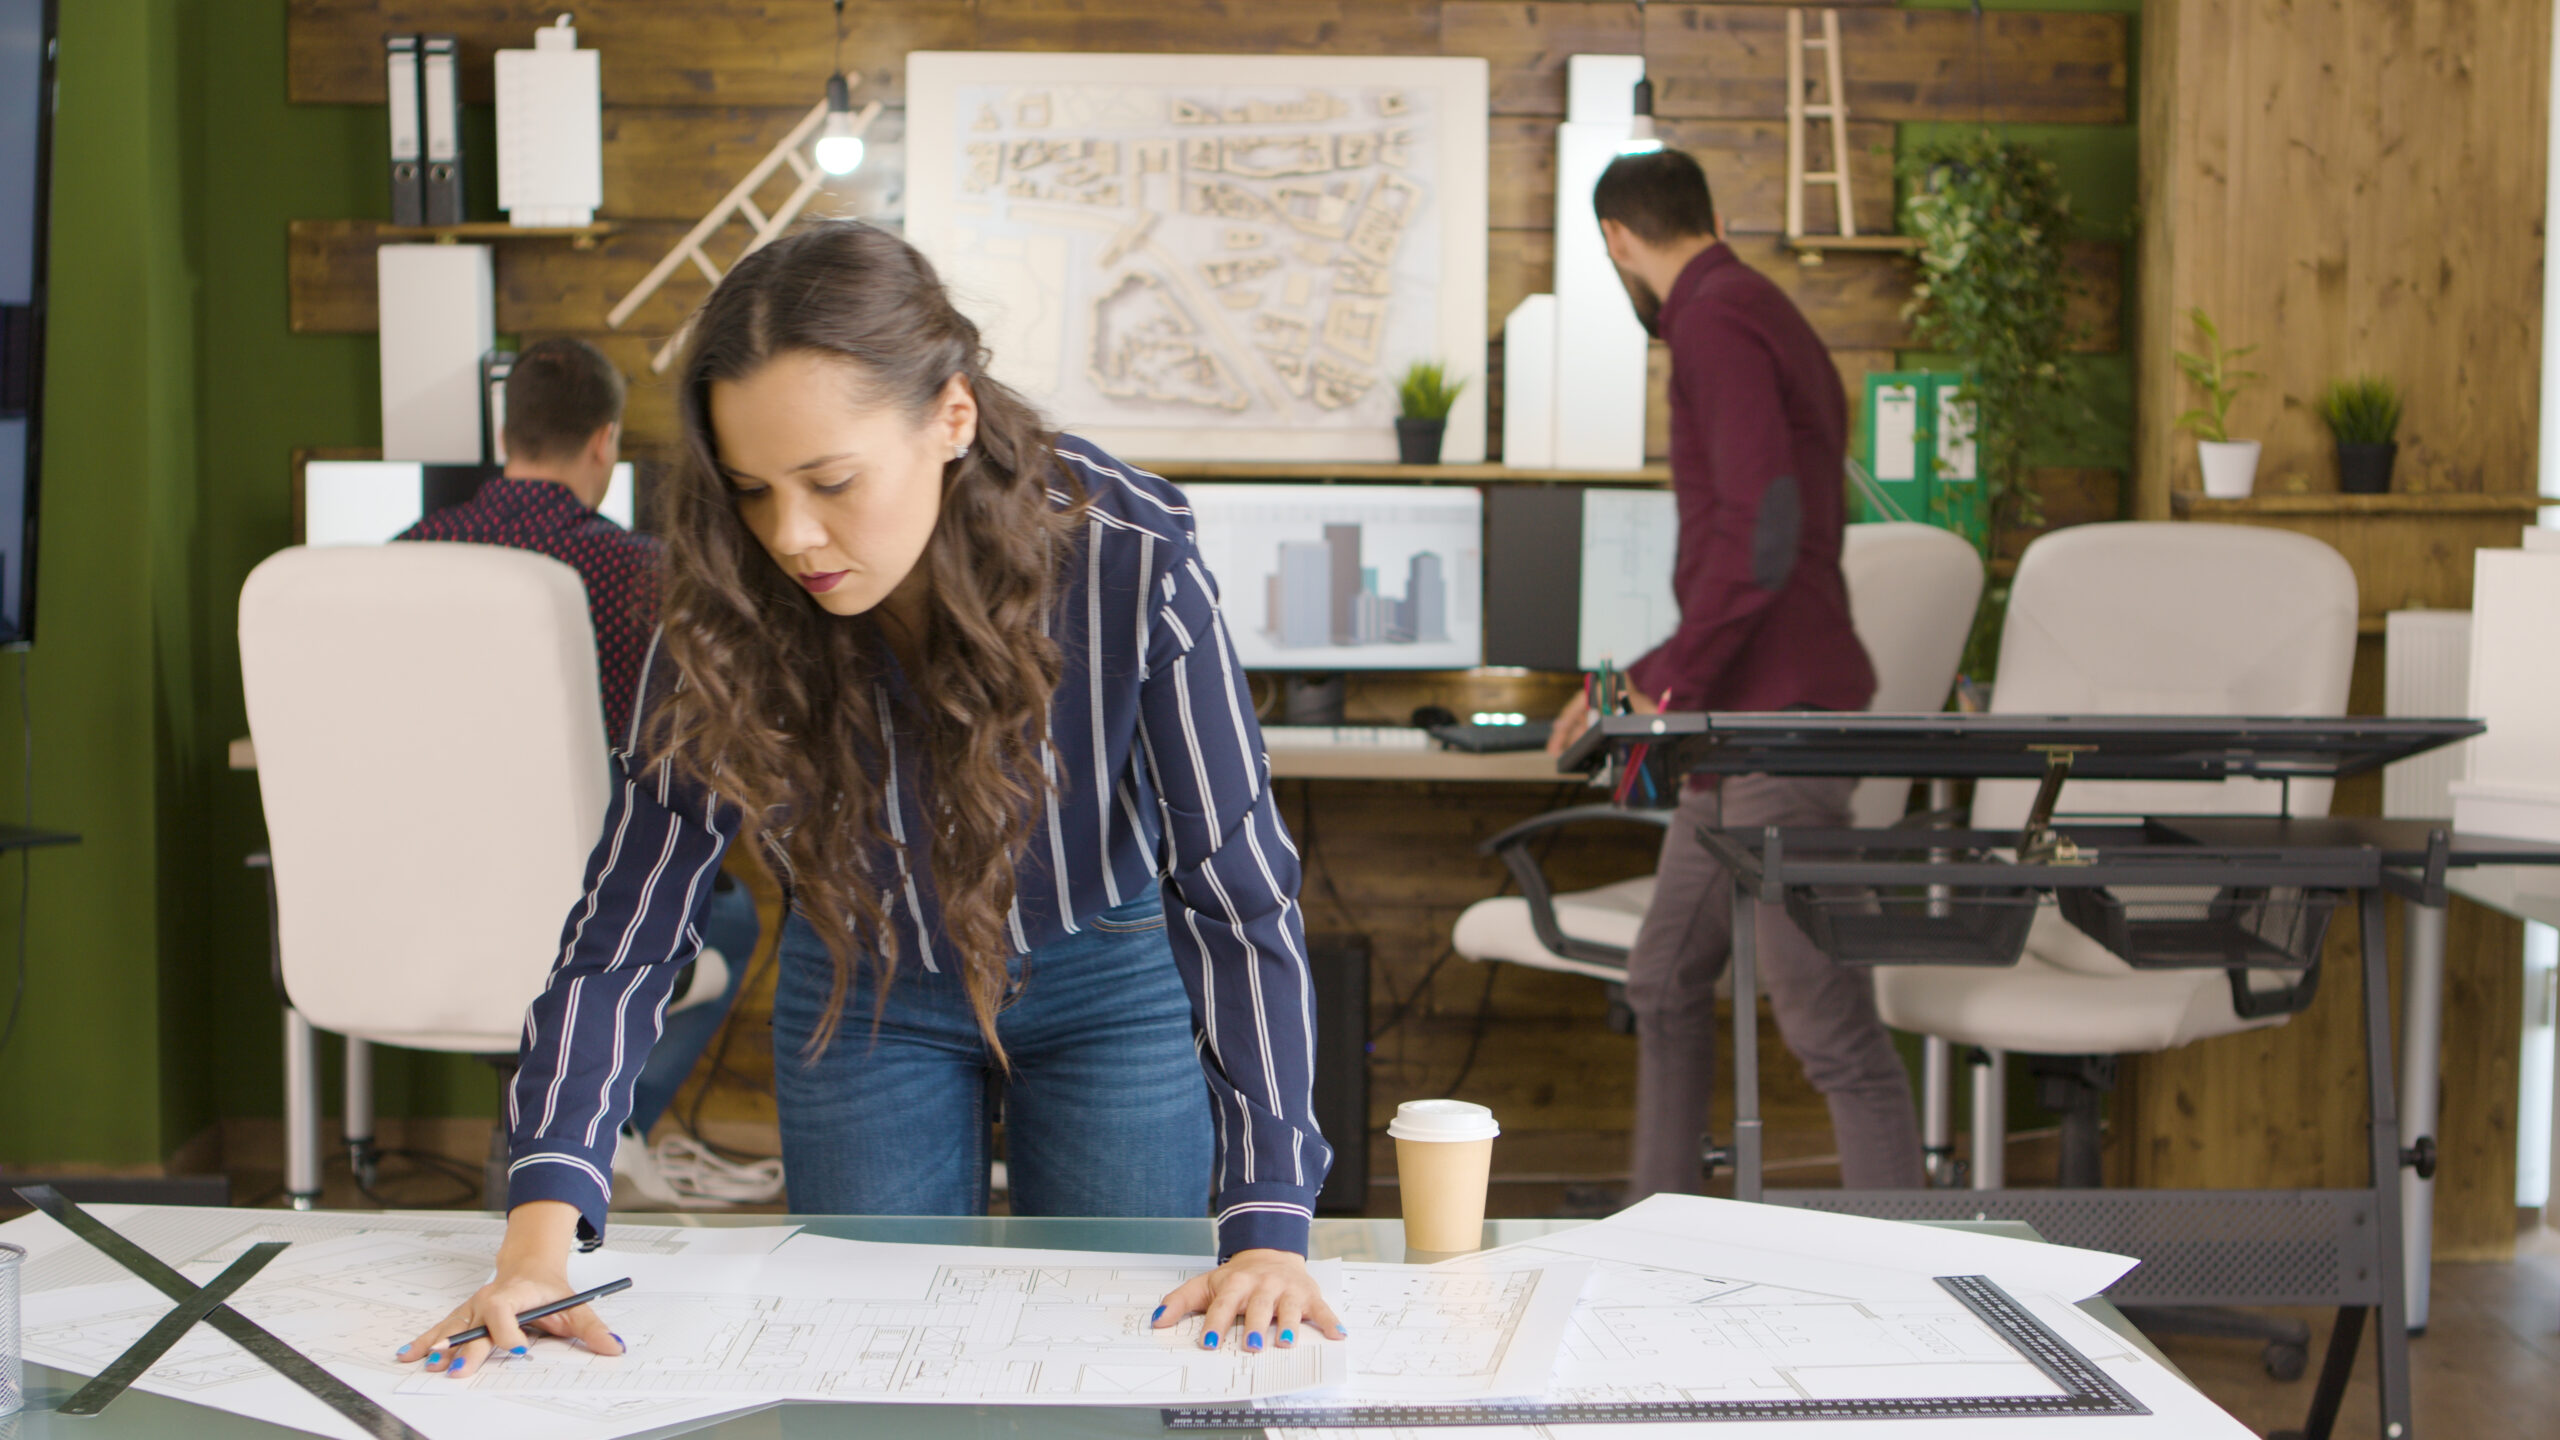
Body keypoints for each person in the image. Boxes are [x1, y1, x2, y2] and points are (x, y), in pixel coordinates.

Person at [400, 221, 1340, 1378]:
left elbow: (1236, 890)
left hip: (1107, 975)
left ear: (952, 416)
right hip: (863, 982)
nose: (791, 536)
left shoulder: (1124, 554)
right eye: (752, 490)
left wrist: (1268, 1226)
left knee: (1116, 1366)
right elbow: (628, 928)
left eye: (833, 481)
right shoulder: (726, 593)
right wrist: (538, 1247)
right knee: (872, 1368)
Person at [1549, 149, 1926, 1199]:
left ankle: (1909, 1271)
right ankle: (1656, 1236)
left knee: (1827, 1025)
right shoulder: (1754, 310)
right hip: (1739, 726)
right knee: (1665, 980)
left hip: (1777, 727)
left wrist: (1655, 683)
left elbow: (1759, 537)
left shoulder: (1714, 322)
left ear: (1616, 239)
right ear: (1708, 216)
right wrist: (1665, 688)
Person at [393, 337, 752, 1149]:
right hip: (578, 901)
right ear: (604, 441)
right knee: (729, 919)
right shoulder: (639, 573)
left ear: (504, 436)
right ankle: (612, 1132)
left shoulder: (404, 556)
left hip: (425, 893)